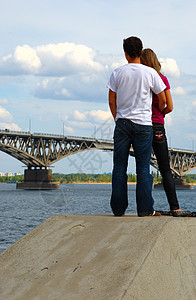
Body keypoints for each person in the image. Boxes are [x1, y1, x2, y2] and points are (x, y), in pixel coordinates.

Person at [107, 36, 166, 217]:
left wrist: (118, 119)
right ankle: (145, 210)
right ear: (140, 52)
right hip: (143, 125)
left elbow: (111, 100)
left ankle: (118, 209)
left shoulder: (117, 73)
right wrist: (154, 113)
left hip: (123, 123)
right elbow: (163, 99)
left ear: (125, 53)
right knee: (142, 168)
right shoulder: (150, 73)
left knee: (119, 168)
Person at [140, 48, 191, 217]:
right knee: (165, 169)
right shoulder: (162, 79)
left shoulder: (141, 79)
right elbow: (170, 105)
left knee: (142, 168)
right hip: (158, 127)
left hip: (142, 126)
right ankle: (175, 207)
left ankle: (145, 209)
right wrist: (159, 114)